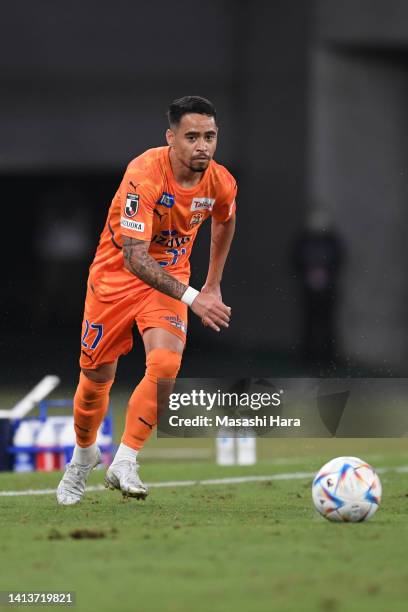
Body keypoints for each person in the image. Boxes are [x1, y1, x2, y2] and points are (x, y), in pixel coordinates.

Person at [57, 96, 237, 505]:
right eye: (192, 137)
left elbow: (226, 220)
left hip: (169, 282)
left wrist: (212, 285)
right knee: (95, 380)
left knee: (166, 364)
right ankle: (84, 456)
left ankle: (125, 458)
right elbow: (135, 257)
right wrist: (195, 298)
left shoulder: (220, 181)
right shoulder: (144, 175)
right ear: (171, 138)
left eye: (209, 136)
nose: (202, 146)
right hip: (115, 282)